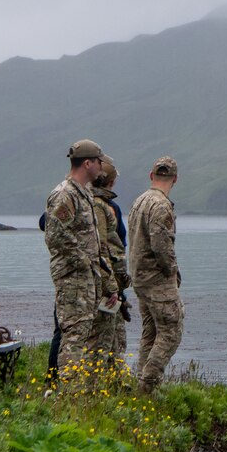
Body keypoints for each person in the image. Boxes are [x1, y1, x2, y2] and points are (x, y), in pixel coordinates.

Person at [43, 140, 113, 377]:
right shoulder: (65, 194)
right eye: (99, 161)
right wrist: (82, 260)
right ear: (87, 163)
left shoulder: (84, 194)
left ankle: (74, 388)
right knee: (73, 334)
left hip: (86, 277)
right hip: (73, 278)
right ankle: (67, 391)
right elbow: (54, 235)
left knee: (81, 332)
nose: (102, 166)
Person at [128, 156, 184, 393]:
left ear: (151, 176)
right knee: (171, 331)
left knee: (150, 333)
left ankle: (140, 379)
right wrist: (173, 272)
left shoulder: (139, 201)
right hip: (157, 281)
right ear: (175, 179)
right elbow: (161, 246)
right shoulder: (161, 206)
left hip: (140, 278)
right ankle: (147, 385)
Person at [91, 155, 133, 367]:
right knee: (105, 340)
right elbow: (104, 248)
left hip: (109, 282)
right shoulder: (102, 207)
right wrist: (113, 285)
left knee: (115, 339)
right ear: (111, 181)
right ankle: (99, 384)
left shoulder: (96, 204)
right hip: (106, 283)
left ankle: (115, 380)